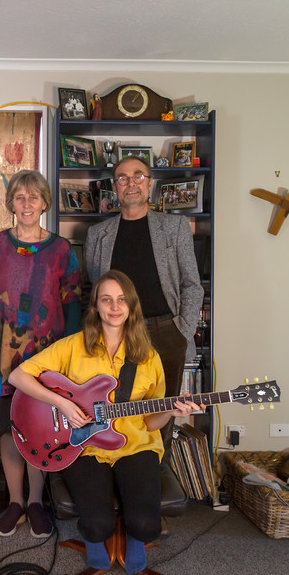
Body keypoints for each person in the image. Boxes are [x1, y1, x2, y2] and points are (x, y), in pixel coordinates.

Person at [8, 271, 201, 573]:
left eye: (122, 300)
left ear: (131, 307)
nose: (114, 307)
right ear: (96, 306)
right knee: (97, 526)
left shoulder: (148, 356)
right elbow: (17, 376)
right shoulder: (72, 346)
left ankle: (135, 536)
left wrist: (172, 412)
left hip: (135, 445)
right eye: (106, 299)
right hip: (83, 447)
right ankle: (97, 536)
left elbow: (151, 424)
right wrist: (64, 404)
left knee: (147, 527)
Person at [0, 169, 83, 538]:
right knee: (9, 430)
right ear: (11, 202)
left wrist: (69, 357)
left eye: (34, 197)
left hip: (46, 359)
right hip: (1, 357)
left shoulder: (61, 249)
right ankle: (14, 503)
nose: (26, 204)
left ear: (44, 203)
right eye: (20, 197)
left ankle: (37, 502)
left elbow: (72, 302)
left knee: (42, 429)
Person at [84, 156, 202, 453]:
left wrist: (182, 331)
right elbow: (93, 288)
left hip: (166, 332)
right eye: (123, 178)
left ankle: (153, 472)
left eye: (138, 176)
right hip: (115, 334)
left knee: (162, 411)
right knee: (115, 408)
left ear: (150, 184)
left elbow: (191, 284)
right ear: (115, 187)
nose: (131, 183)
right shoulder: (98, 235)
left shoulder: (175, 227)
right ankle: (117, 467)